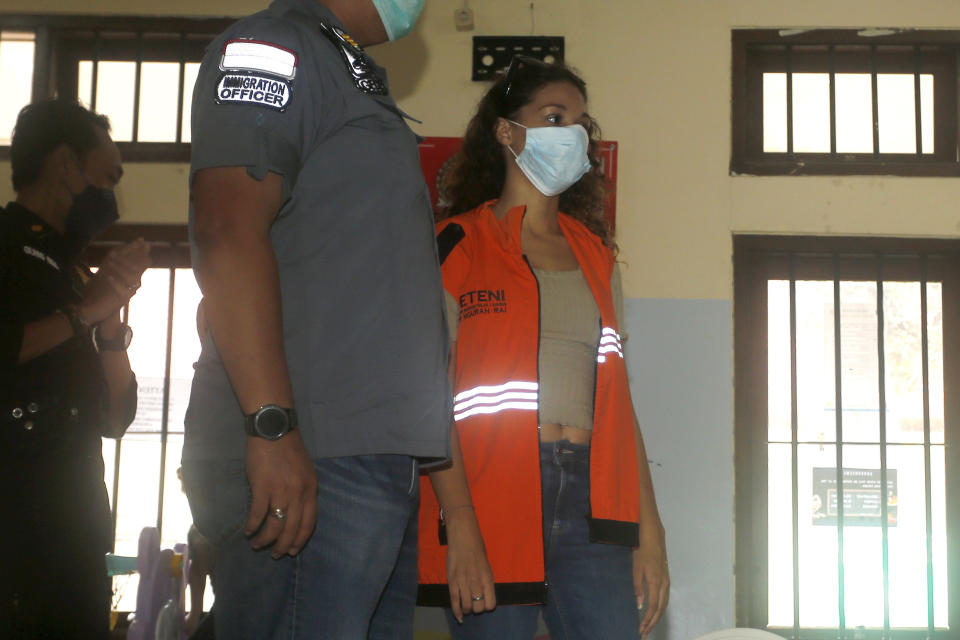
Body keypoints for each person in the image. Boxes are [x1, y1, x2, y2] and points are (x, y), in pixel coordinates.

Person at [180, 1, 455, 639]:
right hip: (310, 452)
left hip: (370, 458)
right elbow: (226, 230)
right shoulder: (271, 46)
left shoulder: (347, 68)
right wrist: (271, 429)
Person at [417, 56, 670, 639]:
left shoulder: (596, 255)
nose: (571, 135)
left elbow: (617, 398)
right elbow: (426, 398)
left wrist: (649, 531)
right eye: (554, 117)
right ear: (508, 131)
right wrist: (460, 525)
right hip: (488, 494)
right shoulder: (455, 246)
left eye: (580, 124)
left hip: (593, 501)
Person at [0, 100, 150, 639]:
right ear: (66, 163)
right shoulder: (8, 247)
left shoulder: (71, 272)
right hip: (17, 526)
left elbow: (114, 419)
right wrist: (82, 313)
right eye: (107, 175)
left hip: (76, 521)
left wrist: (109, 325)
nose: (109, 194)